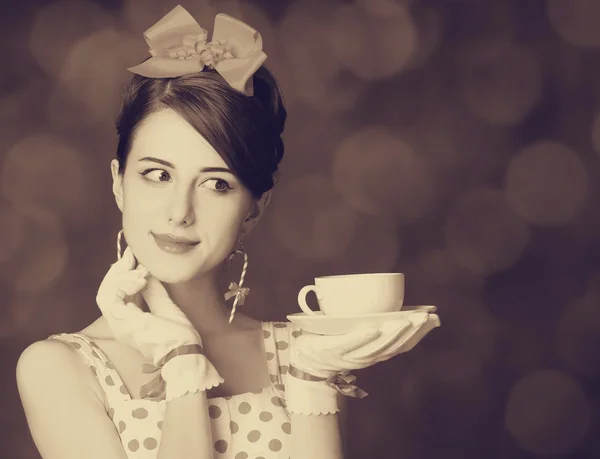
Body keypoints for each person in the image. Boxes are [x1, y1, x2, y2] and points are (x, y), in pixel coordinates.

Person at [15, 6, 440, 459]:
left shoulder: (306, 353)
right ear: (119, 182)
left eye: (216, 184)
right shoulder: (59, 367)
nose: (180, 212)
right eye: (157, 175)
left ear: (254, 209)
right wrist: (181, 360)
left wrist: (312, 384)